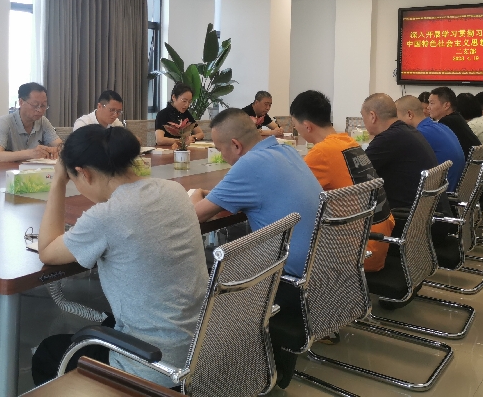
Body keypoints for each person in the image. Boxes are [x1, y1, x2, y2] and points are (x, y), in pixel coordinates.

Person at [32, 125, 207, 388]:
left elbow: (46, 250)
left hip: (153, 365)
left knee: (49, 352)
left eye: (73, 179)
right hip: (200, 347)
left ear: (84, 173)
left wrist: (57, 181)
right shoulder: (174, 190)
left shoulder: (105, 216)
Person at [188, 108, 322, 389]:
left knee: (205, 269)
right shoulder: (283, 151)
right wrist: (212, 195)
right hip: (320, 271)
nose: (222, 156)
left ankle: (217, 368)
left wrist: (193, 195)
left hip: (290, 283)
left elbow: (193, 217)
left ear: (236, 145)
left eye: (220, 150)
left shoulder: (248, 166)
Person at [289, 90, 393, 272]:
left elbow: (290, 196)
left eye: (295, 125)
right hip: (377, 242)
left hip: (357, 254)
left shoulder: (322, 153)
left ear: (307, 126)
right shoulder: (348, 142)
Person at [361, 94, 453, 235]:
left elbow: (356, 172)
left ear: (372, 116)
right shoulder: (407, 131)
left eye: (363, 117)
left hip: (414, 225)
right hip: (432, 219)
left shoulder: (388, 138)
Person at [396, 95, 466, 192]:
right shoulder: (441, 126)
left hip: (440, 192)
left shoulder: (419, 134)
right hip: (452, 188)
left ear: (409, 114)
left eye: (397, 117)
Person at [0, 82, 61, 163]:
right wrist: (31, 153)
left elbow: (61, 146)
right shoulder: (4, 122)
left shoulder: (43, 121)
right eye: (35, 105)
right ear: (21, 102)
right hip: (0, 170)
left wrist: (55, 150)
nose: (40, 110)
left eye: (43, 105)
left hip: (28, 170)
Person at [427, 86, 481, 157]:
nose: (428, 107)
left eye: (432, 103)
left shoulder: (446, 122)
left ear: (446, 105)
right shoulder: (456, 118)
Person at [154, 83, 204, 147]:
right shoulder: (163, 114)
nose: (187, 105)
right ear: (174, 97)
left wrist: (193, 137)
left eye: (189, 102)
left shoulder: (186, 113)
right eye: (184, 101)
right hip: (167, 150)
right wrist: (182, 141)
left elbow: (200, 133)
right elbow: (159, 140)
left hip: (184, 149)